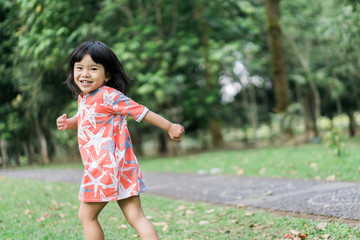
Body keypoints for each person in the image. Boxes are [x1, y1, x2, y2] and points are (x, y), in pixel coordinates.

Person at [56, 41, 185, 240]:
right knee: (136, 216)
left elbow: (141, 112)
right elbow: (85, 118)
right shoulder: (84, 98)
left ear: (107, 75)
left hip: (103, 168)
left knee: (86, 216)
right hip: (123, 167)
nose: (85, 74)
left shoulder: (109, 95)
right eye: (79, 68)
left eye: (93, 69)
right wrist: (69, 122)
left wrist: (169, 126)